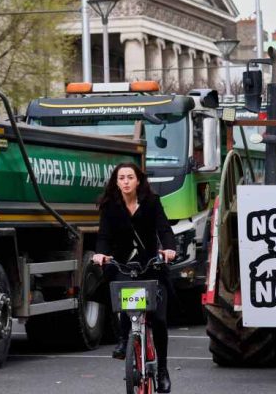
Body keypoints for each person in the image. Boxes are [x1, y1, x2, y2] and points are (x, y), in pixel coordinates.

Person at [92, 163, 177, 393]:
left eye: (130, 177)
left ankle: (162, 371)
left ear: (138, 180)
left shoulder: (152, 202)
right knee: (121, 296)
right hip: (123, 262)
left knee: (158, 319)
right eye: (122, 177)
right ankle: (124, 340)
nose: (126, 181)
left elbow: (164, 229)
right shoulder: (110, 206)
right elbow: (103, 236)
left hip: (150, 264)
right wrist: (100, 254)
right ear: (116, 182)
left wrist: (168, 249)